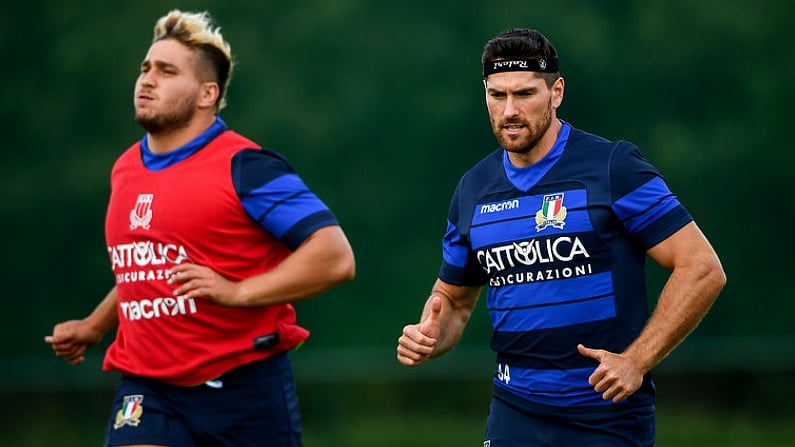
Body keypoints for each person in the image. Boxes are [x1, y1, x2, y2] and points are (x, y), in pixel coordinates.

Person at [396, 28, 726, 446]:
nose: (510, 110)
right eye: (497, 96)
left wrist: (637, 360)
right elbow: (455, 307)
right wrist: (427, 338)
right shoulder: (473, 189)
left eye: (525, 93)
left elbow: (701, 268)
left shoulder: (612, 167)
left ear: (557, 92)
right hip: (515, 411)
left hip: (605, 415)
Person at [44, 9, 355, 447]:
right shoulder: (126, 168)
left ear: (208, 93)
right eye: (146, 68)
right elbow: (150, 266)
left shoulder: (246, 166)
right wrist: (96, 324)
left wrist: (236, 292)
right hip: (147, 387)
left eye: (167, 71)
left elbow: (335, 257)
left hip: (244, 387)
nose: (147, 80)